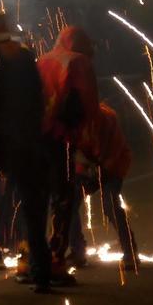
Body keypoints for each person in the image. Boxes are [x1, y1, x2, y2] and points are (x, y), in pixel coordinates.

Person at [0, 13, 53, 293]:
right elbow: (38, 98)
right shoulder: (23, 57)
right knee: (32, 208)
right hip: (27, 142)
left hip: (2, 142)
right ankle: (40, 271)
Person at [37, 24, 100, 278]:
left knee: (36, 198)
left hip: (36, 136)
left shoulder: (42, 60)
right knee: (64, 199)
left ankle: (29, 257)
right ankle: (55, 260)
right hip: (61, 138)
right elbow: (89, 105)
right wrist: (89, 145)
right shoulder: (79, 62)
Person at [80, 102, 138, 271]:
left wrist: (100, 173)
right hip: (91, 167)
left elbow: (116, 151)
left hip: (114, 166)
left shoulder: (107, 117)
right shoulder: (71, 123)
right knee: (67, 201)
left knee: (110, 204)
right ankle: (75, 251)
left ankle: (130, 252)